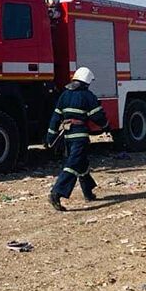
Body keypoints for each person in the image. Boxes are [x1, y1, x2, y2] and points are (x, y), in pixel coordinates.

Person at [45, 67, 109, 211]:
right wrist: (106, 126)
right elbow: (98, 116)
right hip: (80, 136)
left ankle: (88, 192)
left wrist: (50, 136)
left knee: (81, 163)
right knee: (73, 164)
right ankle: (57, 192)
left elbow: (55, 118)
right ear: (86, 82)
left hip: (67, 136)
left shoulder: (64, 95)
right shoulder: (87, 96)